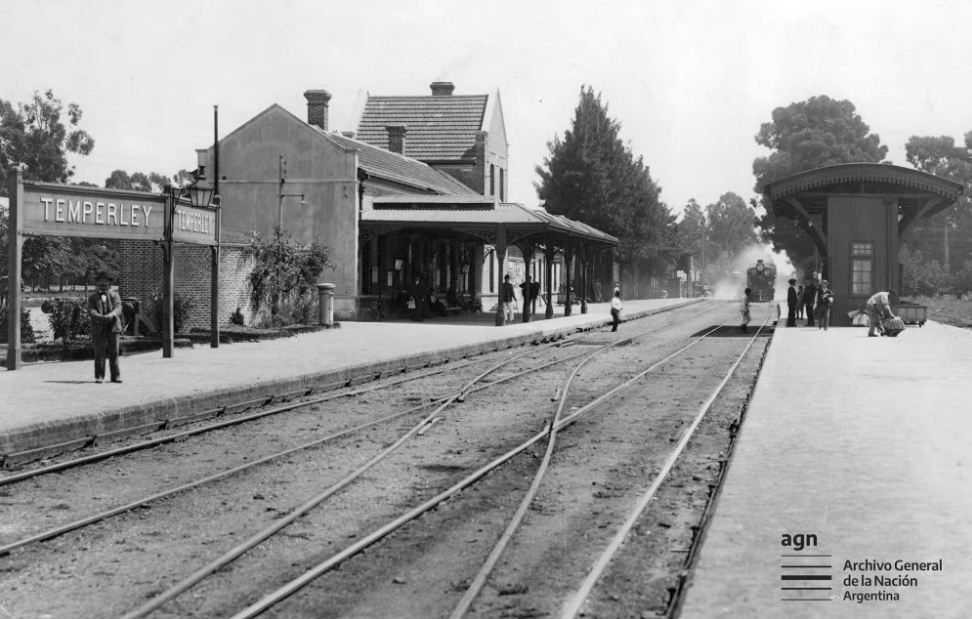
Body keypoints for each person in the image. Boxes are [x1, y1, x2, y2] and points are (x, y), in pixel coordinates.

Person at [87, 271, 123, 384]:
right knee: (99, 353)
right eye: (101, 281)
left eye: (106, 281)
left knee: (114, 352)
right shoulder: (92, 297)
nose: (103, 283)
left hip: (113, 327)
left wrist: (111, 315)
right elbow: (91, 311)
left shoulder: (115, 295)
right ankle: (99, 376)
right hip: (99, 328)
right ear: (97, 283)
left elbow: (118, 308)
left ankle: (116, 376)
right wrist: (100, 317)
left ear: (109, 283)